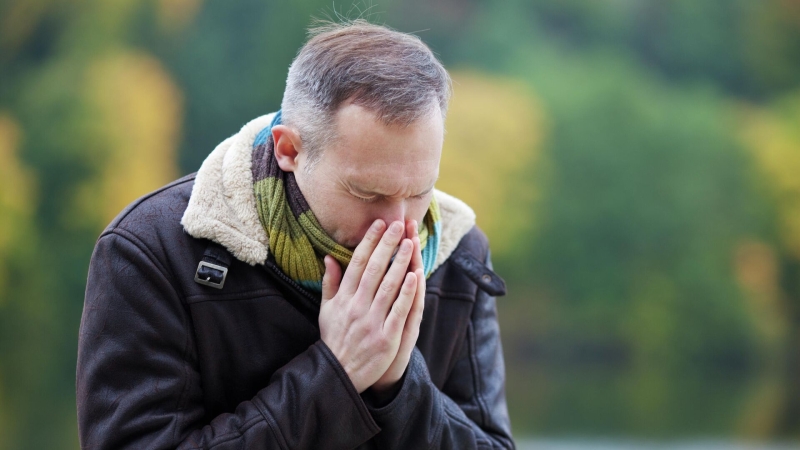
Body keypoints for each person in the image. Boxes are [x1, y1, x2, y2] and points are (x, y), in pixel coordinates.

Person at [77, 19, 514, 449]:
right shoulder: (152, 250)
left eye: (419, 191)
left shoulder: (459, 253)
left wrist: (399, 387)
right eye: (367, 192)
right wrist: (335, 374)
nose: (401, 226)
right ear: (289, 150)